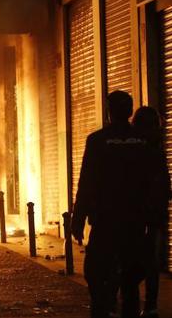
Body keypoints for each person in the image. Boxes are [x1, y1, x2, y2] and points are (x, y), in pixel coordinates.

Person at [71, 91, 151, 318]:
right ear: (129, 111)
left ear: (109, 111)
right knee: (131, 280)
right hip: (134, 223)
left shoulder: (97, 140)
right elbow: (153, 180)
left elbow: (86, 183)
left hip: (105, 222)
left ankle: (102, 309)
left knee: (96, 274)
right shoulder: (144, 141)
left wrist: (78, 219)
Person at [132, 106, 171, 318]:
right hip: (148, 214)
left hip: (147, 214)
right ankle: (150, 305)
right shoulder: (149, 151)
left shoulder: (143, 149)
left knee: (147, 261)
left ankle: (148, 304)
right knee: (149, 261)